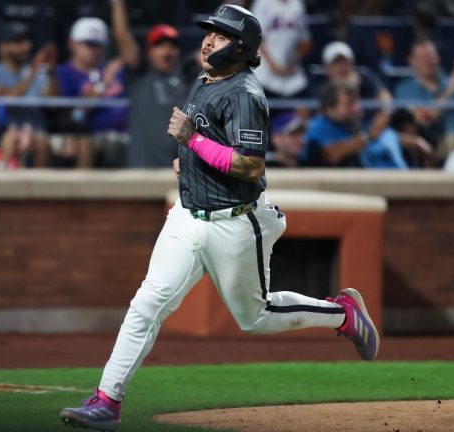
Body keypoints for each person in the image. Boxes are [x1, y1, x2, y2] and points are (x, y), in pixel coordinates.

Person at [59, 5, 380, 431]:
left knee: (256, 318)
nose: (209, 40)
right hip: (187, 216)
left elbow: (249, 165)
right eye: (210, 32)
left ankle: (342, 314)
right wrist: (187, 158)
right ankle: (107, 400)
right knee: (146, 305)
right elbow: (207, 142)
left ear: (243, 48)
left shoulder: (247, 95)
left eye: (221, 35)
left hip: (233, 222)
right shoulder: (206, 77)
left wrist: (191, 141)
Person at [110, 0, 188, 168]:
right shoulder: (140, 74)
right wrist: (118, 4)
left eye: (172, 45)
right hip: (142, 170)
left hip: (178, 171)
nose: (167, 50)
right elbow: (123, 38)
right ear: (149, 51)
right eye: (159, 45)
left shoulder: (186, 77)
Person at [0, 21, 56, 167]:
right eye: (17, 42)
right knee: (12, 139)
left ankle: (42, 189)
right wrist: (34, 72)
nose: (25, 46)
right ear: (2, 47)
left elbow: (51, 102)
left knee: (41, 141)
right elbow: (8, 97)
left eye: (26, 41)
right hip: (4, 133)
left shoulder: (39, 73)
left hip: (37, 133)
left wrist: (51, 72)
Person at [55, 17, 128, 168]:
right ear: (72, 44)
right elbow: (74, 114)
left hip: (122, 136)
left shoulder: (115, 71)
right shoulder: (64, 73)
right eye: (88, 44)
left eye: (98, 45)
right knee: (86, 144)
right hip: (86, 135)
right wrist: (103, 84)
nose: (94, 50)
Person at [394, 39, 454, 161]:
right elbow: (424, 118)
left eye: (431, 56)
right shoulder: (405, 89)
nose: (428, 61)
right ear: (411, 61)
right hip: (437, 148)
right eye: (422, 57)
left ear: (438, 58)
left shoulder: (452, 81)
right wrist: (451, 89)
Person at [302, 83, 406, 169]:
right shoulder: (317, 127)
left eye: (356, 103)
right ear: (330, 109)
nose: (356, 109)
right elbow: (331, 155)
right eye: (348, 104)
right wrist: (370, 135)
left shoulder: (350, 123)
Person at [250, 0, 312, 99]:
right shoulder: (262, 3)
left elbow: (305, 42)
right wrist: (273, 66)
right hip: (265, 74)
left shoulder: (297, 3)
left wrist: (292, 64)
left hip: (292, 74)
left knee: (305, 107)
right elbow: (256, 37)